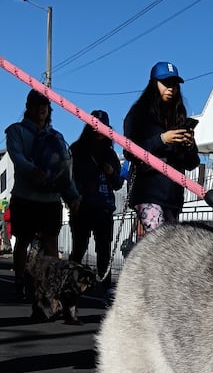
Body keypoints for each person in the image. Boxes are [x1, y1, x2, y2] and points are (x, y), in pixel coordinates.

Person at [5, 89, 80, 300]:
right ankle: (20, 280)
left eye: (45, 106)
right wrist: (31, 170)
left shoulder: (56, 136)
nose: (41, 109)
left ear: (49, 109)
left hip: (50, 199)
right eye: (36, 105)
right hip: (25, 197)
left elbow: (65, 170)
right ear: (28, 107)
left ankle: (50, 286)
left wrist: (73, 195)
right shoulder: (16, 131)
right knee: (22, 240)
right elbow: (16, 156)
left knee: (51, 243)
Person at [123, 61, 200, 235]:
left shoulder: (178, 116)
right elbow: (129, 151)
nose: (171, 88)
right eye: (166, 83)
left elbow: (192, 163)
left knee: (167, 251)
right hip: (148, 193)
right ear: (153, 84)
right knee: (159, 242)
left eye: (174, 84)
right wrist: (162, 139)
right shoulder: (138, 114)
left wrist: (189, 145)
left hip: (173, 196)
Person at [68, 109, 123, 296]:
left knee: (104, 249)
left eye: (104, 127)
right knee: (79, 247)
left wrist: (111, 173)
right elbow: (70, 177)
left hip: (104, 207)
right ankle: (70, 282)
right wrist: (72, 200)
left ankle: (105, 285)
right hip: (82, 205)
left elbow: (117, 184)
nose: (99, 130)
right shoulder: (77, 150)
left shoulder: (111, 154)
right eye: (95, 125)